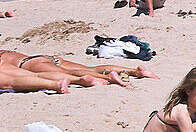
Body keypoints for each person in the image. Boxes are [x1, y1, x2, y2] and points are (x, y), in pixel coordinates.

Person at [0, 49, 158, 87]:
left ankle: (109, 77)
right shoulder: (6, 51)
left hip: (30, 63)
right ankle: (134, 71)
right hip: (49, 57)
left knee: (70, 73)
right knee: (91, 67)